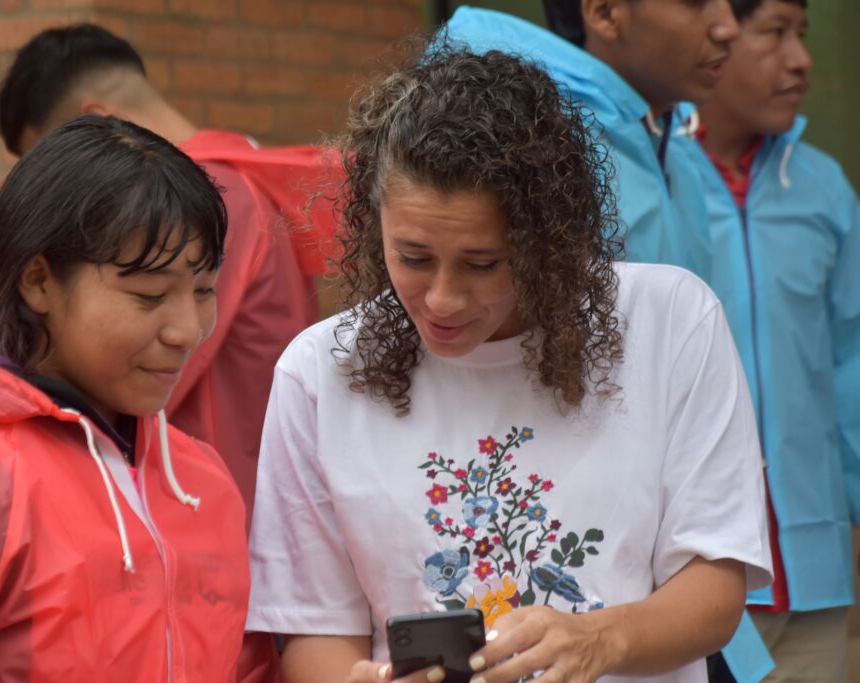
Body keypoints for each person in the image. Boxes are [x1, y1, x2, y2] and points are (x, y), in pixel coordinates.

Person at [245, 45, 771, 683]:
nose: (443, 298)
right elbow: (315, 633)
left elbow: (715, 588)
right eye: (413, 257)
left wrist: (598, 640)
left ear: (547, 237)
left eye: (482, 263)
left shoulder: (672, 322)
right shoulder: (318, 372)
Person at [0, 115, 250, 681]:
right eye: (149, 296)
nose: (187, 329)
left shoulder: (202, 479)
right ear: (38, 282)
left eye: (204, 291)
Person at [0, 23, 336, 527]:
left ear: (98, 123)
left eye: (56, 154)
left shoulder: (209, 195)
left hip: (212, 508)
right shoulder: (240, 174)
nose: (185, 331)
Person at [678, 1, 860, 680]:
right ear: (716, 33)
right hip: (692, 584)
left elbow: (850, 364)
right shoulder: (654, 176)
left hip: (815, 583)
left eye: (802, 35)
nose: (801, 60)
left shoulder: (824, 189)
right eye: (776, 32)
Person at [442, 0, 741, 283]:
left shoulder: (668, 128)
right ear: (605, 12)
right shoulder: (535, 147)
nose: (729, 28)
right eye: (695, 1)